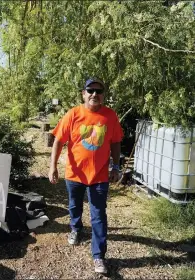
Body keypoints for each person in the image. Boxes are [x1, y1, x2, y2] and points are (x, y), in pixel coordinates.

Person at [48, 77, 124, 274]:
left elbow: (115, 142)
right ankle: (76, 228)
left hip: (99, 175)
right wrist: (53, 166)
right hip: (74, 174)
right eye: (90, 90)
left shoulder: (110, 116)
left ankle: (98, 256)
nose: (94, 94)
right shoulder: (73, 114)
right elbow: (58, 140)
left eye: (99, 91)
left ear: (103, 95)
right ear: (83, 94)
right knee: (74, 205)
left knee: (98, 214)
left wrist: (116, 166)